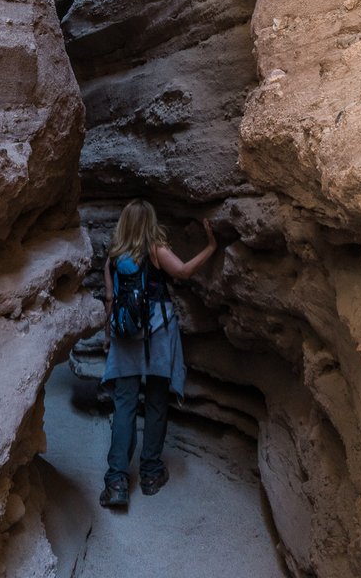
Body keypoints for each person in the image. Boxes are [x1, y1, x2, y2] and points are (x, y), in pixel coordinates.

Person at [99, 198, 217, 510]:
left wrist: (108, 337)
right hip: (158, 334)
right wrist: (211, 247)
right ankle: (151, 475)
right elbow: (184, 272)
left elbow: (110, 300)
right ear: (150, 222)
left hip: (125, 335)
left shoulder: (113, 257)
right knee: (155, 403)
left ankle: (117, 483)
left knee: (124, 405)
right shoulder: (155, 250)